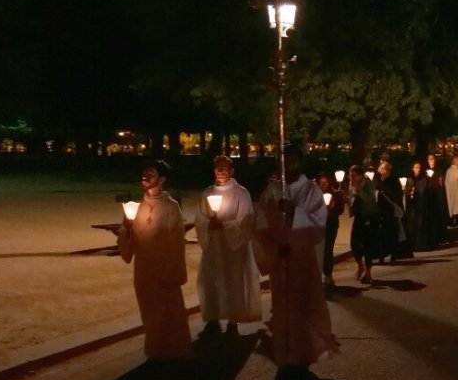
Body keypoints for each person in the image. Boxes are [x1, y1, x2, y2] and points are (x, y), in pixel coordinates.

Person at [255, 145, 339, 367]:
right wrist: (274, 248)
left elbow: (318, 226)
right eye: (283, 160)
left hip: (302, 259)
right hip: (279, 260)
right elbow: (260, 226)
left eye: (292, 160)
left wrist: (294, 212)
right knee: (282, 306)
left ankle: (305, 352)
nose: (287, 165)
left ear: (300, 162)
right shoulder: (271, 191)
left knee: (303, 304)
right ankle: (284, 351)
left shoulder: (311, 190)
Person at [117, 160, 192, 360]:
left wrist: (173, 271)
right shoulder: (136, 207)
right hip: (143, 269)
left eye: (150, 174)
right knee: (149, 311)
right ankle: (155, 350)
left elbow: (177, 244)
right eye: (144, 173)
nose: (144, 177)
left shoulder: (171, 207)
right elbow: (127, 241)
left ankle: (174, 350)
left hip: (164, 268)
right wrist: (127, 229)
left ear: (161, 180)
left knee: (168, 311)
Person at [194, 156, 261, 337]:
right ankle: (213, 320)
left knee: (233, 283)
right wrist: (208, 224)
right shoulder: (207, 193)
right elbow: (199, 217)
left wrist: (225, 226)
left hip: (233, 249)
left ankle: (233, 321)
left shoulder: (241, 193)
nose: (220, 171)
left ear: (232, 170)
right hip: (214, 246)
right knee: (211, 282)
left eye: (224, 168)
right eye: (217, 168)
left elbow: (246, 218)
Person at [348, 165, 380, 283]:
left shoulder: (368, 184)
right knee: (354, 243)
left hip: (370, 215)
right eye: (350, 175)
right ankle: (360, 265)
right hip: (359, 217)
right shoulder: (351, 185)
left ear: (361, 175)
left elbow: (371, 200)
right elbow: (352, 200)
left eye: (354, 175)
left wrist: (359, 190)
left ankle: (368, 272)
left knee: (368, 245)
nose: (352, 178)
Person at [374, 160, 411, 261]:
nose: (382, 171)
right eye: (381, 169)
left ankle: (393, 254)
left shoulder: (393, 181)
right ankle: (381, 255)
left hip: (390, 212)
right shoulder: (377, 180)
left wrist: (384, 192)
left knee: (392, 234)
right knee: (381, 234)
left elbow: (396, 195)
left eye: (384, 169)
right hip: (380, 211)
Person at [317, 173, 345, 284]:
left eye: (326, 182)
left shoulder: (335, 194)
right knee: (319, 250)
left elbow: (341, 210)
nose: (323, 185)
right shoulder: (315, 195)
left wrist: (332, 209)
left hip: (331, 225)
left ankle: (328, 274)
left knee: (328, 249)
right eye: (321, 182)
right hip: (318, 226)